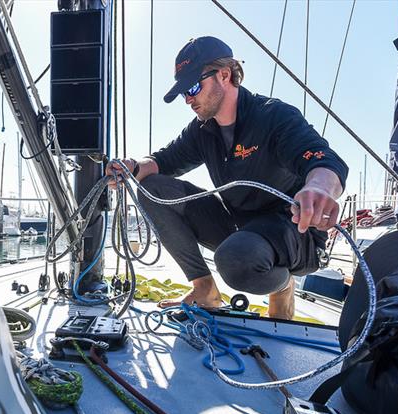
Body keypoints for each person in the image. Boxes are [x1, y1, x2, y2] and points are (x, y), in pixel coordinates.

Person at [107, 36, 348, 319]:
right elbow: (163, 161)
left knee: (235, 259)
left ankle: (283, 286)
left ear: (224, 74)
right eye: (183, 92)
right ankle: (204, 289)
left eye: (193, 87)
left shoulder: (272, 116)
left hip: (292, 230)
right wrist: (131, 166)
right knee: (153, 187)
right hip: (239, 227)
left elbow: (323, 160)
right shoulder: (202, 130)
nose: (188, 99)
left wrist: (318, 188)